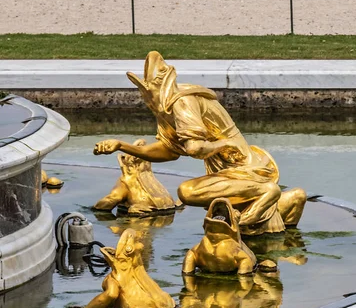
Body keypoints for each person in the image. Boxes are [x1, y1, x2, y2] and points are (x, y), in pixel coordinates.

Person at [94, 51, 306, 236]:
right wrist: (121, 145)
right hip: (226, 169)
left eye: (148, 93)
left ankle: (267, 191)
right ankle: (279, 201)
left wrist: (223, 144)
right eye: (144, 93)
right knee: (212, 201)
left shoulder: (181, 101)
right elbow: (168, 151)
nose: (147, 99)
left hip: (241, 168)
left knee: (186, 191)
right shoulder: (167, 108)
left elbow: (195, 149)